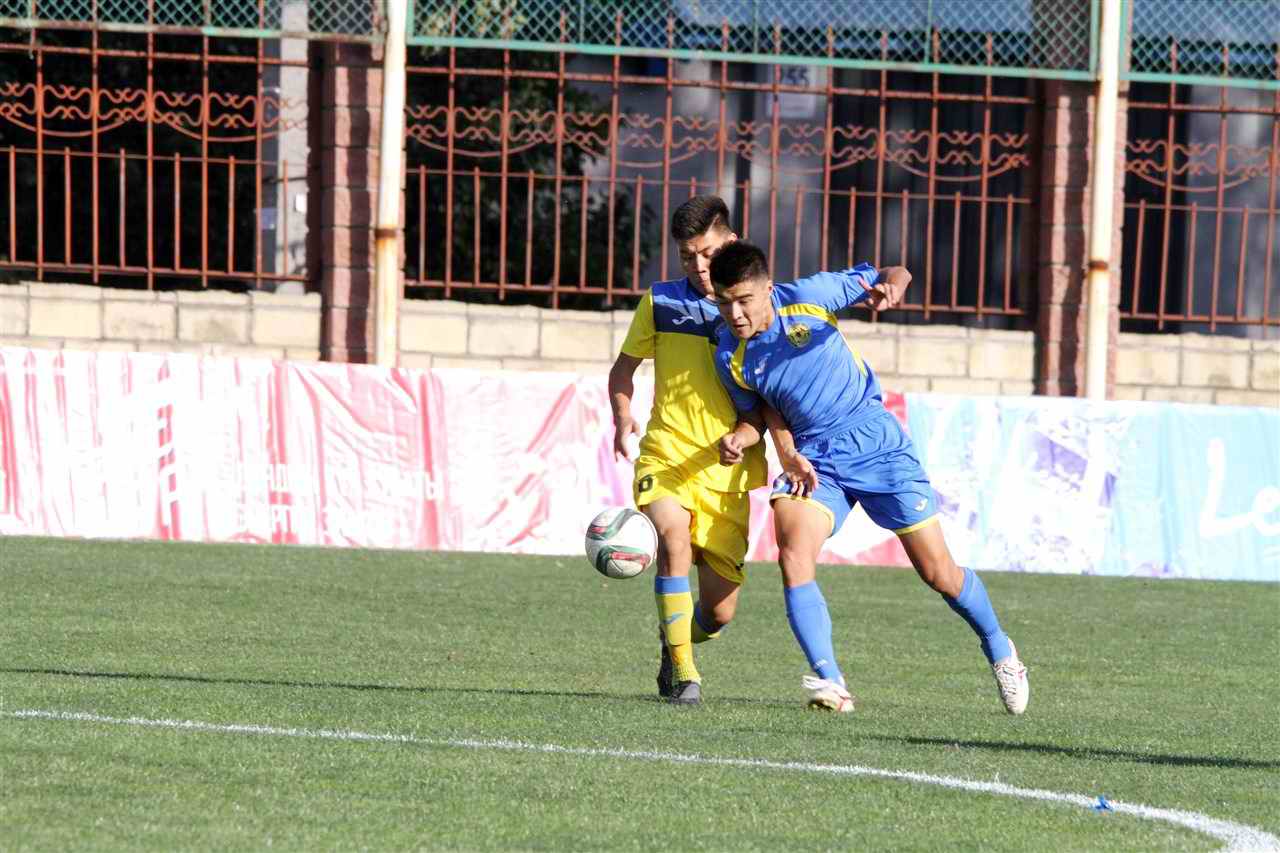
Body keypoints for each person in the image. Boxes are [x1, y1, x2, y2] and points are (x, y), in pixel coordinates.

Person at [707, 240, 1030, 715]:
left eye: (743, 300)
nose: (734, 314)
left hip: (876, 444)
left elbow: (894, 271)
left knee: (939, 574)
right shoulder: (727, 354)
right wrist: (745, 440)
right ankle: (830, 681)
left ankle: (1001, 649)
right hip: (815, 460)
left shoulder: (809, 297)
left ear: (768, 289)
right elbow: (759, 413)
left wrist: (892, 287)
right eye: (723, 302)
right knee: (793, 553)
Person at [608, 196, 768, 706]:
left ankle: (674, 638)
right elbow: (623, 370)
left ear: (732, 243)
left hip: (726, 473)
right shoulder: (660, 302)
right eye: (686, 256)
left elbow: (774, 394)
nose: (698, 266)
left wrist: (750, 436)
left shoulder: (755, 308)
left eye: (708, 253)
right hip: (666, 456)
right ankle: (683, 672)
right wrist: (623, 415)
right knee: (672, 538)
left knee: (718, 614)